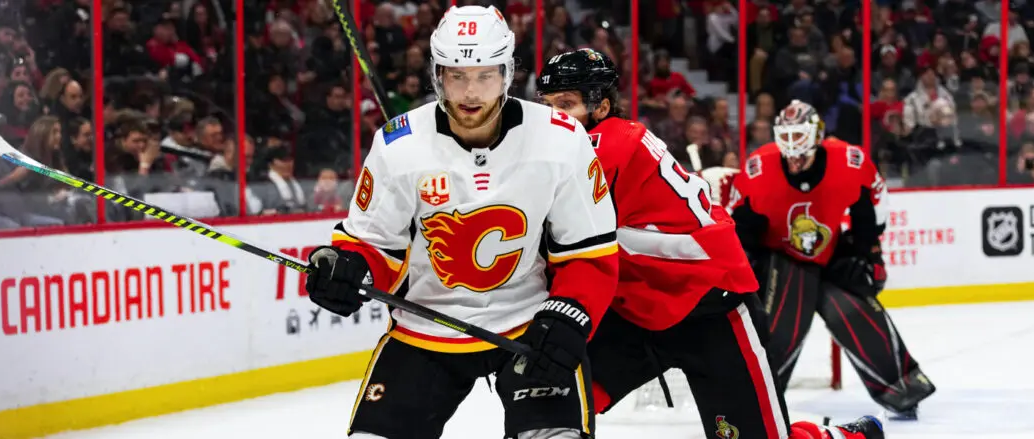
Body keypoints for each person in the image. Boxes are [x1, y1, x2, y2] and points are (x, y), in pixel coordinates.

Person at [304, 7, 619, 439]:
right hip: (425, 327)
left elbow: (590, 253)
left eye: (485, 76)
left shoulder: (561, 138)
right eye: (457, 76)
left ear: (506, 74)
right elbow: (373, 245)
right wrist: (346, 269)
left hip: (530, 327)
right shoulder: (399, 144)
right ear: (438, 75)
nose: (471, 92)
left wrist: (571, 314)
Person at [538, 49, 883, 439]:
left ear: (600, 107)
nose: (554, 117)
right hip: (635, 308)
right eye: (547, 106)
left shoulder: (609, 145)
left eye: (565, 105)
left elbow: (553, 231)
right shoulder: (578, 145)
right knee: (548, 399)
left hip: (710, 306)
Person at [727, 100, 936, 420]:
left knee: (851, 309)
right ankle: (755, 398)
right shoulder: (759, 169)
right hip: (778, 259)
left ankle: (902, 388)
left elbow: (871, 210)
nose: (793, 153)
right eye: (787, 141)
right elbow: (739, 227)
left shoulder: (849, 161)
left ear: (817, 136)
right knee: (783, 323)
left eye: (800, 140)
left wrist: (868, 253)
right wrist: (748, 270)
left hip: (830, 252)